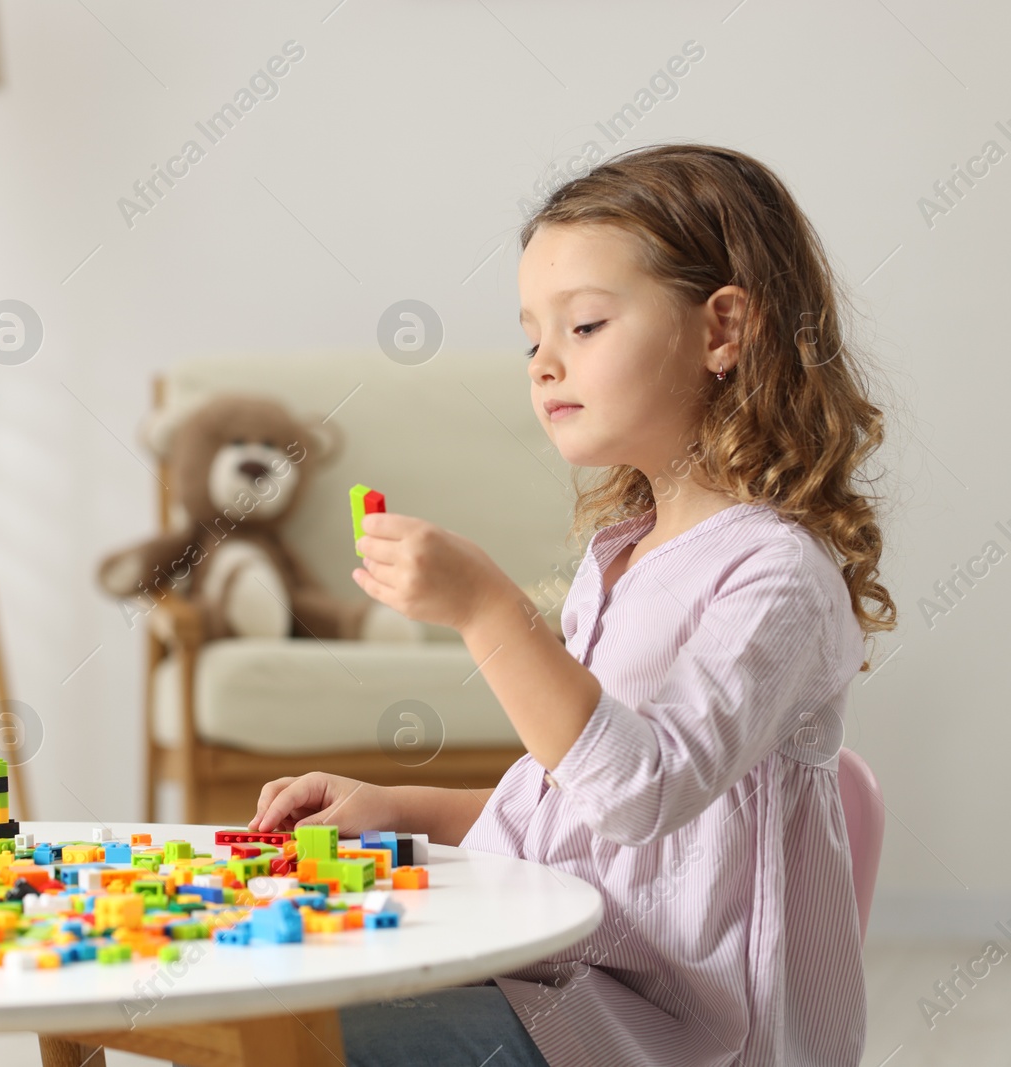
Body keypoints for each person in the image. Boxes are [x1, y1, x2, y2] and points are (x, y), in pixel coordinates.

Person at [249, 143, 896, 1067]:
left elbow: (644, 793)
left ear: (721, 331)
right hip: (562, 980)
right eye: (532, 338)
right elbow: (578, 809)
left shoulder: (775, 578)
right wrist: (398, 805)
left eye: (584, 325)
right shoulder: (622, 557)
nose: (545, 364)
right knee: (279, 994)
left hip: (665, 1035)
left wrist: (485, 609)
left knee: (298, 1040)